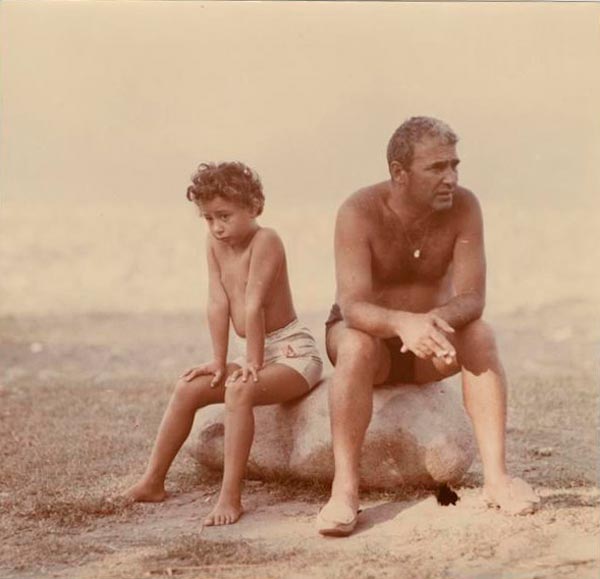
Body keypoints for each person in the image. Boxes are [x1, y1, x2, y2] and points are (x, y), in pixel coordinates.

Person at [317, 116, 539, 536]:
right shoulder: (358, 211)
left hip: (429, 341)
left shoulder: (465, 206)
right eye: (436, 168)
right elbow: (352, 307)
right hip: (372, 342)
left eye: (455, 165)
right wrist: (404, 324)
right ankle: (344, 489)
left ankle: (497, 478)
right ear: (399, 173)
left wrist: (429, 324)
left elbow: (473, 297)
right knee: (356, 345)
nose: (450, 178)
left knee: (481, 334)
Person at [125, 161, 323, 526]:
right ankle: (152, 481)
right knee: (188, 387)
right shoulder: (215, 244)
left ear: (253, 206)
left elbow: (254, 302)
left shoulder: (267, 240)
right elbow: (218, 302)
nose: (216, 226)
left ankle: (231, 497)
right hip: (258, 351)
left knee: (239, 391)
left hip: (294, 355)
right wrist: (219, 361)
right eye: (208, 218)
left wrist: (253, 362)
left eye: (224, 216)